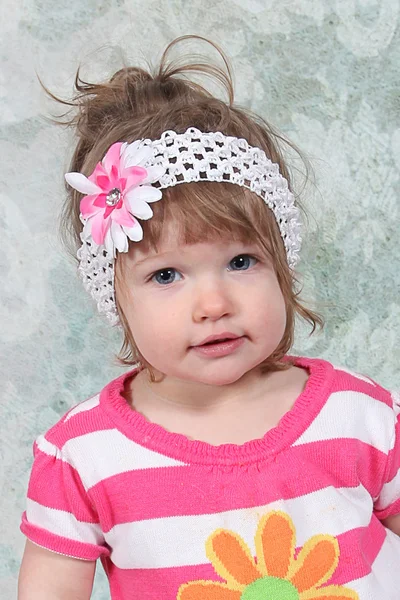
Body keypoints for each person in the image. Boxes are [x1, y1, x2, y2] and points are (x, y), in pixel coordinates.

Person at [18, 35, 400, 600]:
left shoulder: (360, 414)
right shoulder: (81, 456)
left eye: (241, 261)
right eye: (166, 276)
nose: (214, 304)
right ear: (114, 296)